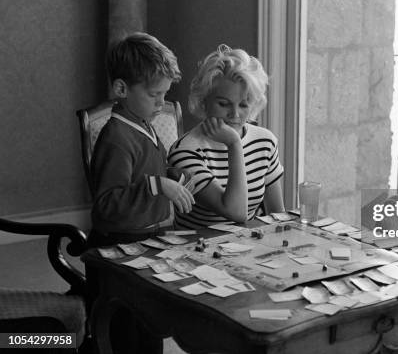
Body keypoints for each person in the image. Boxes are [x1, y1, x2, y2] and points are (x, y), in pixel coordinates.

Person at [88, 32, 194, 248]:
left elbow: (149, 170)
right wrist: (158, 185)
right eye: (154, 94)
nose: (161, 103)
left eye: (164, 94)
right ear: (121, 89)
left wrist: (173, 176)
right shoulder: (116, 138)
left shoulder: (144, 124)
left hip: (152, 233)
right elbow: (107, 205)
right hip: (119, 242)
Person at [167, 45, 284, 228]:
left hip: (248, 248)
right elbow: (236, 213)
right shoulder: (185, 151)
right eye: (224, 104)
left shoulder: (265, 142)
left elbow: (277, 216)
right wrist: (234, 144)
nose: (235, 114)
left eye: (244, 105)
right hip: (196, 251)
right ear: (204, 101)